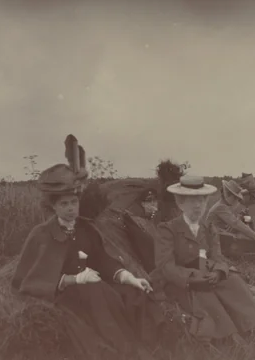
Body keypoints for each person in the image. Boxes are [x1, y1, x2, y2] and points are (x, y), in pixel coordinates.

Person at [10, 135, 162, 360]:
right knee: (97, 294)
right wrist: (75, 280)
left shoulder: (86, 228)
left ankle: (148, 346)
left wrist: (129, 278)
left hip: (95, 287)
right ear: (53, 206)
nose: (71, 209)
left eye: (74, 202)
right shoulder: (41, 234)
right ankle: (124, 352)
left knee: (134, 294)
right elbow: (29, 280)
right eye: (64, 204)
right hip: (66, 296)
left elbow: (104, 260)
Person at [151, 175, 255, 346]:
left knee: (233, 281)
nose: (198, 205)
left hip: (204, 272)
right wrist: (194, 278)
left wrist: (219, 271)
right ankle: (232, 339)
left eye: (202, 200)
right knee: (205, 295)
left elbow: (217, 257)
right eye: (192, 201)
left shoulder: (208, 228)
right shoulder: (168, 229)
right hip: (177, 282)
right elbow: (166, 267)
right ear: (180, 203)